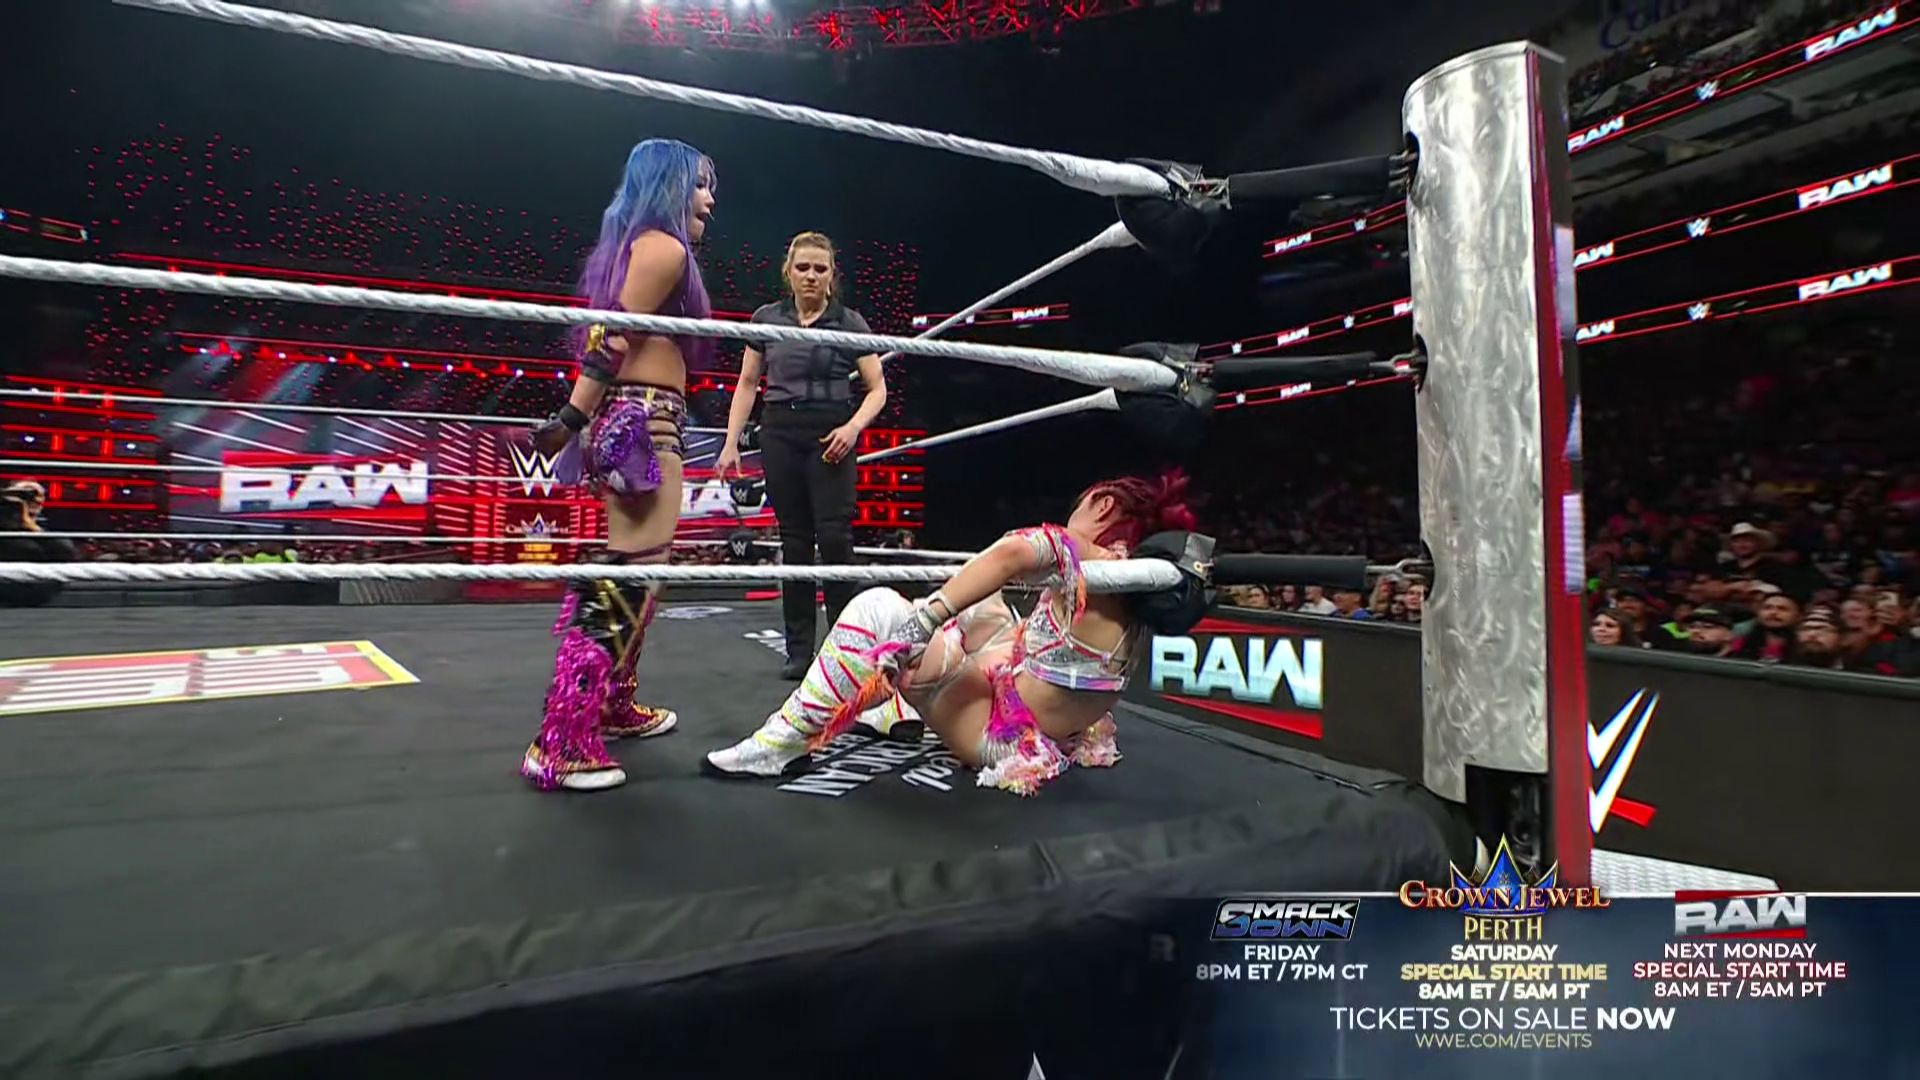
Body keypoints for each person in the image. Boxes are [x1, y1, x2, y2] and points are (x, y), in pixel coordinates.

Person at [705, 472, 1197, 796]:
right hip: (1047, 722)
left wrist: (924, 622)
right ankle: (897, 708)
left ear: (1103, 504)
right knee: (978, 599)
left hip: (1001, 736)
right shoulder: (1140, 580)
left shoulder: (1089, 554)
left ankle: (780, 745)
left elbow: (1014, 552)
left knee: (880, 610)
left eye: (1083, 502)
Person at [520, 138, 717, 793]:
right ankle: (561, 740)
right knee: (628, 572)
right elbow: (611, 339)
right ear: (669, 186)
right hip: (643, 419)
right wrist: (571, 417)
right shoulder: (663, 249)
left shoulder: (642, 248)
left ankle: (611, 703)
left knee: (642, 571)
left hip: (648, 415)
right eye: (699, 185)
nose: (708, 200)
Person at [714, 232, 890, 680]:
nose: (811, 276)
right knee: (794, 541)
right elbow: (747, 383)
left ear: (832, 276)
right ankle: (798, 651)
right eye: (803, 268)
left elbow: (877, 389)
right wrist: (731, 442)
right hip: (780, 432)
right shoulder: (767, 318)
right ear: (788, 272)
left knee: (833, 539)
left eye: (820, 268)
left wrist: (852, 428)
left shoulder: (849, 322)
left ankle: (846, 649)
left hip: (831, 432)